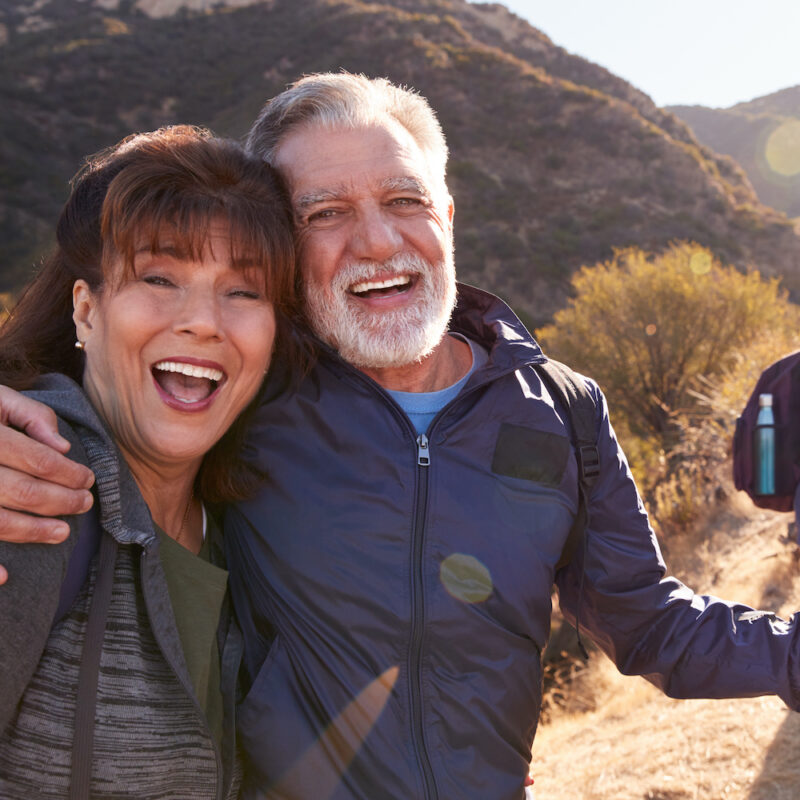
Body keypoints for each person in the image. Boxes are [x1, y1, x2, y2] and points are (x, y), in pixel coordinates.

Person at [2, 73, 800, 800]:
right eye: (326, 213)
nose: (378, 241)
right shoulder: (250, 389)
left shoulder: (562, 408)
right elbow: (111, 385)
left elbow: (651, 625)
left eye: (404, 200)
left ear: (446, 216)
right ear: (283, 252)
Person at [0, 124, 300, 799]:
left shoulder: (247, 533)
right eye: (160, 277)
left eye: (244, 291)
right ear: (86, 310)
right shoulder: (33, 494)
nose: (203, 321)